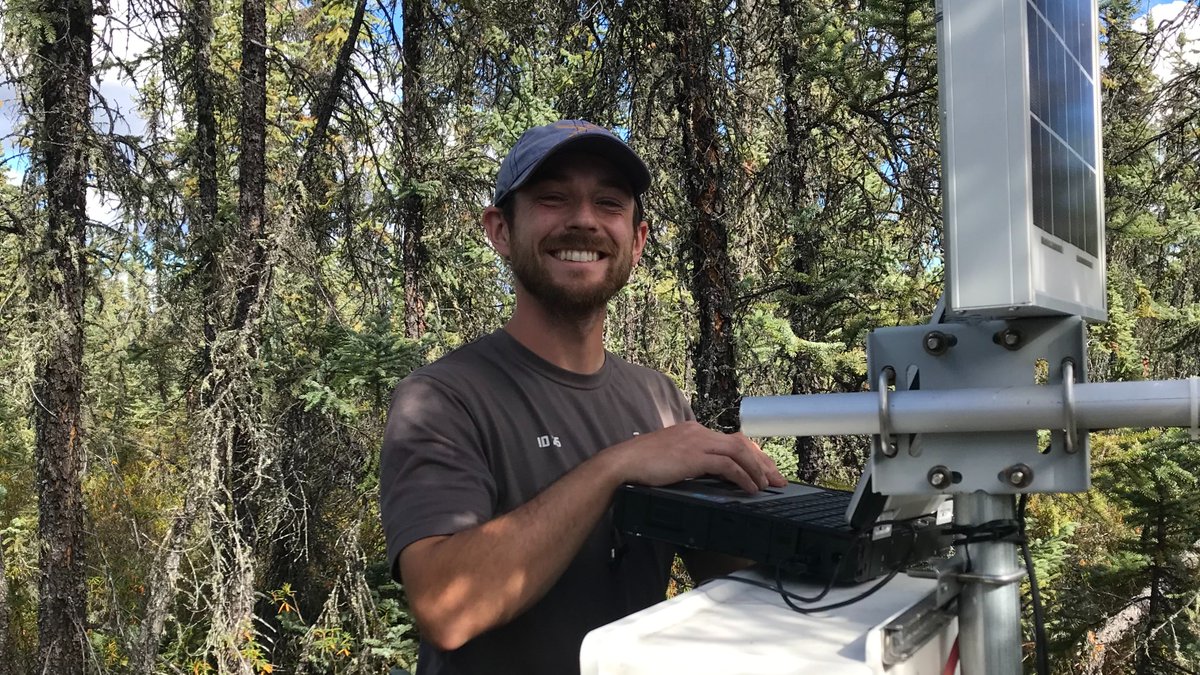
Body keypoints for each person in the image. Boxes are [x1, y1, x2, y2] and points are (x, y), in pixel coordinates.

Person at [379, 119, 786, 675]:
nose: (584, 220)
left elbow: (734, 574)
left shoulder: (659, 397)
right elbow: (445, 607)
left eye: (609, 204)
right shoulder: (444, 397)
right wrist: (617, 466)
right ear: (500, 230)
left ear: (637, 241)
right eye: (552, 198)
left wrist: (800, 525)